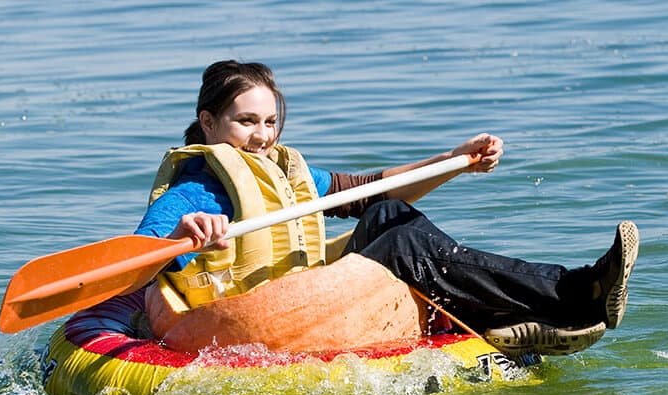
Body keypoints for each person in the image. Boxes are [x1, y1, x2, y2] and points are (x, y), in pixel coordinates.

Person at [135, 60, 639, 356]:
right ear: (207, 122)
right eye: (247, 122)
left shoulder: (284, 173)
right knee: (397, 240)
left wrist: (453, 161)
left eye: (270, 122)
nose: (263, 137)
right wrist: (181, 235)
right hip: (244, 320)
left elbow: (368, 190)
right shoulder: (190, 192)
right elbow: (136, 263)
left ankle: (529, 309)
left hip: (307, 297)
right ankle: (572, 292)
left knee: (387, 218)